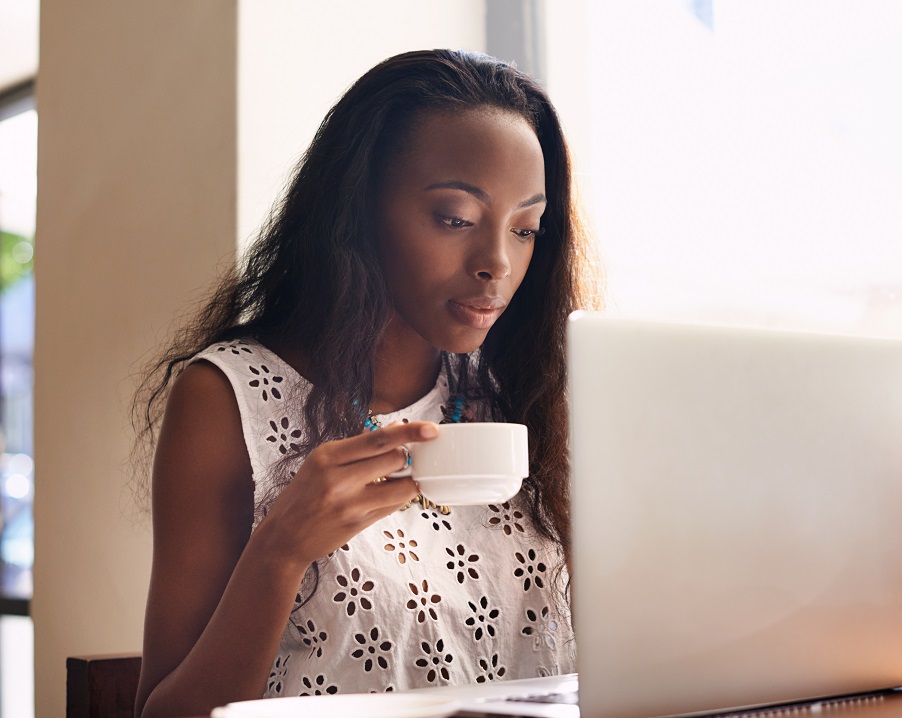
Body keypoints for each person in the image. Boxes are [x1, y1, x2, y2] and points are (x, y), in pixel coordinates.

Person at [132, 49, 603, 717]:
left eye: (526, 229)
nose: (496, 262)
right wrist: (282, 549)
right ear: (356, 212)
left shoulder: (525, 391)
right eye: (455, 219)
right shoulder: (226, 397)